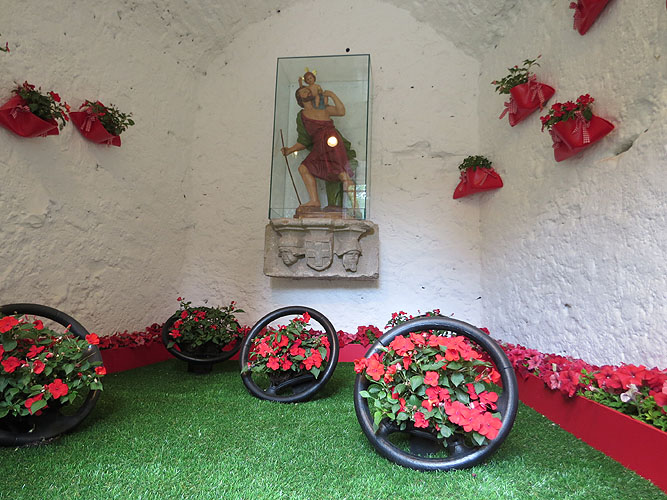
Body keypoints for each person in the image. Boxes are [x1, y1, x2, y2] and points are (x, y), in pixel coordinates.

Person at [281, 86, 356, 213]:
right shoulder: (302, 116)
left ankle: (355, 207)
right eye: (303, 91)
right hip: (318, 147)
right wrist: (289, 150)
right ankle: (314, 200)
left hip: (332, 143)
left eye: (308, 90)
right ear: (299, 98)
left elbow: (341, 111)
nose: (307, 92)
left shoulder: (323, 108)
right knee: (303, 168)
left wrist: (332, 95)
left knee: (342, 174)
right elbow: (304, 140)